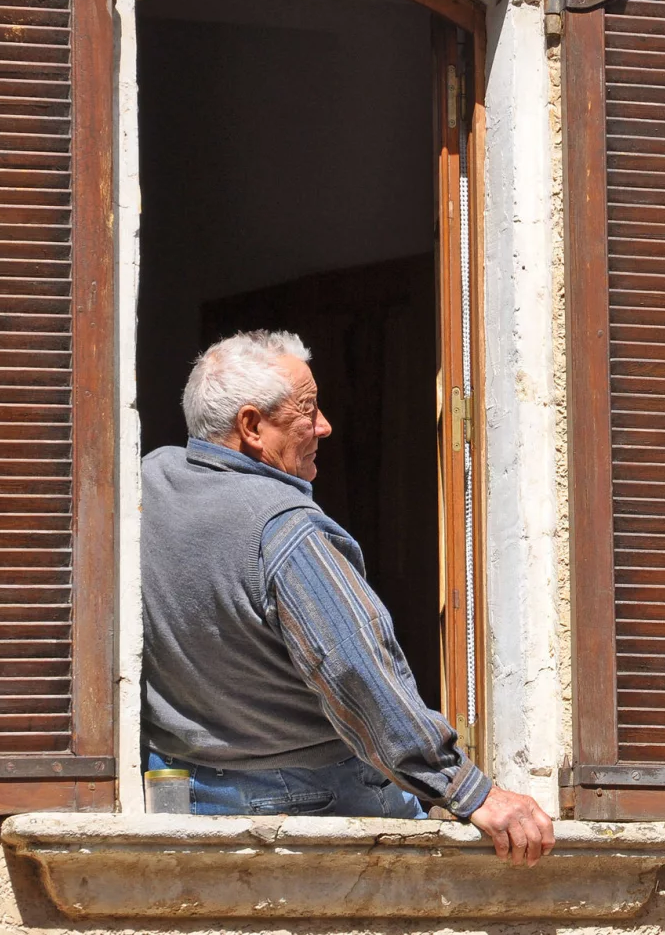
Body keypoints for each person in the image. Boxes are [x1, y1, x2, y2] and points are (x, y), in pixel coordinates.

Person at [141, 330, 554, 865]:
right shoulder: (289, 534)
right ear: (250, 426)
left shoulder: (147, 483)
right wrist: (470, 791)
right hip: (309, 797)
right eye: (307, 411)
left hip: (187, 792)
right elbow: (358, 672)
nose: (324, 426)